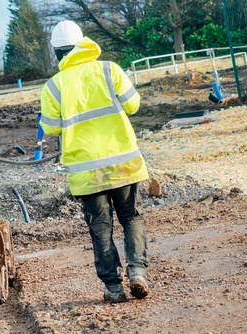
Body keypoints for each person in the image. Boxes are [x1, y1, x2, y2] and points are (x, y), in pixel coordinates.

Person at [39, 20, 150, 303]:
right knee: (131, 219)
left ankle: (113, 287)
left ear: (57, 52)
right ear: (82, 44)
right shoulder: (109, 69)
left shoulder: (53, 86)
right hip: (123, 165)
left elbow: (50, 128)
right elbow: (134, 105)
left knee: (101, 229)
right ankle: (137, 272)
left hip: (87, 174)